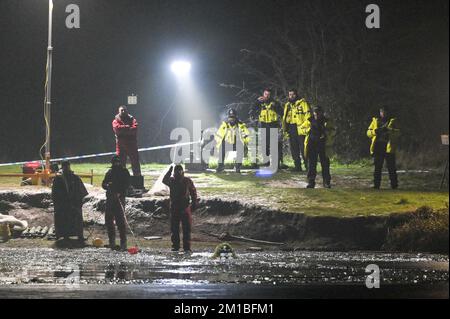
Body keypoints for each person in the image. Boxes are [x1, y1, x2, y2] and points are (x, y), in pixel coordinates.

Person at [163, 164, 198, 253]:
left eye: (179, 171)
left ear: (182, 172)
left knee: (186, 229)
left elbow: (193, 192)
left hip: (185, 208)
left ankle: (186, 247)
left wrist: (194, 203)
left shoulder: (187, 181)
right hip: (175, 207)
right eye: (176, 171)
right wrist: (169, 171)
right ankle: (176, 246)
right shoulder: (172, 180)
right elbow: (164, 180)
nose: (178, 173)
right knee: (174, 229)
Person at [51, 160, 88, 243]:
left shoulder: (74, 178)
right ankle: (67, 236)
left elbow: (81, 191)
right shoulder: (59, 179)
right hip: (64, 204)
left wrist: (78, 201)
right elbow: (55, 193)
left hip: (73, 203)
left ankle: (76, 235)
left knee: (75, 219)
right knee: (65, 219)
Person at [299, 106, 336, 188]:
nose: (316, 115)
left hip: (323, 145)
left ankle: (326, 182)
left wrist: (327, 134)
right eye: (315, 113)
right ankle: (311, 182)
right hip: (312, 144)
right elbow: (301, 129)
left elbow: (333, 130)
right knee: (312, 164)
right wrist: (308, 130)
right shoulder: (309, 120)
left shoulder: (327, 121)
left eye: (318, 113)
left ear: (322, 113)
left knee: (325, 164)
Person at [250, 88, 286, 169]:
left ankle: (275, 163)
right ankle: (266, 162)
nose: (267, 96)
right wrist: (256, 102)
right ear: (263, 94)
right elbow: (252, 110)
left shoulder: (275, 102)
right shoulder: (259, 102)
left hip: (273, 124)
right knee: (264, 145)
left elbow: (282, 112)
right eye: (265, 94)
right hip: (263, 125)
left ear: (271, 95)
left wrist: (275, 107)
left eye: (268, 94)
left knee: (274, 145)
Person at [367, 106, 400, 189]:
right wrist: (375, 131)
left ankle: (394, 185)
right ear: (380, 112)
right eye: (382, 111)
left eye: (384, 111)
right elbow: (368, 132)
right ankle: (376, 185)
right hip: (378, 146)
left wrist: (389, 130)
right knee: (378, 167)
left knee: (391, 167)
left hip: (388, 146)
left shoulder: (393, 121)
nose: (383, 113)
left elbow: (398, 133)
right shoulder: (375, 121)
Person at [102, 155, 130, 251]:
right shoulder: (109, 172)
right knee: (109, 220)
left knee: (120, 221)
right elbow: (103, 183)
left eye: (117, 162)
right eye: (114, 162)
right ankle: (112, 242)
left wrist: (120, 193)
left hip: (119, 199)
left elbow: (127, 184)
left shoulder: (124, 172)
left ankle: (123, 243)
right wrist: (107, 185)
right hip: (110, 199)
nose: (116, 164)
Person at [282, 89, 310, 172]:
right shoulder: (287, 105)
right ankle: (297, 166)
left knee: (304, 149)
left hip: (301, 129)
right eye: (290, 94)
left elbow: (308, 116)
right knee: (294, 149)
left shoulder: (303, 103)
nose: (291, 96)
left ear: (296, 94)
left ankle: (308, 166)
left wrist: (304, 127)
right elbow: (285, 118)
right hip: (291, 129)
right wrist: (285, 129)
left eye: (293, 94)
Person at [215, 108, 250, 173]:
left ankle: (237, 167)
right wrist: (217, 144)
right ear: (228, 117)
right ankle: (220, 166)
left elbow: (246, 134)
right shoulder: (224, 125)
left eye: (233, 117)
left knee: (241, 148)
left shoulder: (240, 125)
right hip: (227, 143)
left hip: (237, 143)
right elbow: (219, 134)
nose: (232, 119)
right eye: (230, 117)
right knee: (221, 149)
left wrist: (246, 143)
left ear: (236, 117)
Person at [112, 106, 141, 177]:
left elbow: (135, 129)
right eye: (122, 110)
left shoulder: (132, 119)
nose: (123, 111)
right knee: (120, 164)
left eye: (125, 110)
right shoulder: (115, 121)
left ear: (127, 111)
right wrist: (128, 127)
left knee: (135, 163)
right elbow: (117, 130)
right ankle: (121, 180)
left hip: (132, 145)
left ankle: (137, 180)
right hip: (121, 146)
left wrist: (123, 130)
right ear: (119, 111)